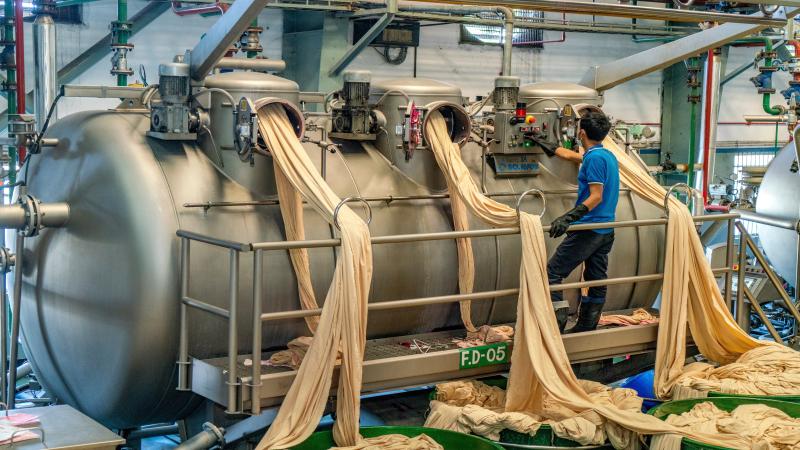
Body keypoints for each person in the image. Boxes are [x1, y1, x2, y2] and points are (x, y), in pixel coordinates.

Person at [543, 110, 619, 333]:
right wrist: (551, 148)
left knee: (552, 273)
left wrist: (568, 217)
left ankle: (555, 327)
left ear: (582, 132)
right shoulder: (606, 155)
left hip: (589, 228)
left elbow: (596, 195)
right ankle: (587, 325)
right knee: (595, 276)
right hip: (606, 228)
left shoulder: (594, 158)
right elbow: (577, 158)